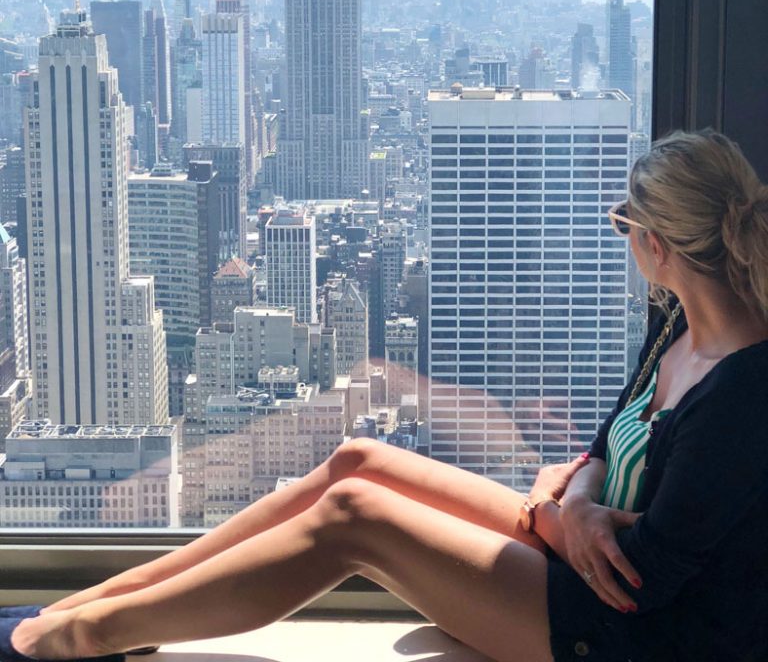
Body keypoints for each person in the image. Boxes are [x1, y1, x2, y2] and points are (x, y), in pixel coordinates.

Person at [7, 129, 768, 662]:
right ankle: (93, 605)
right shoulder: (676, 325)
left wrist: (558, 511)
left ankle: (82, 641)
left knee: (355, 517)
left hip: (622, 633)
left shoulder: (741, 390)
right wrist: (580, 501)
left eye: (622, 225)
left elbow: (649, 576)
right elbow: (603, 447)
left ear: (656, 246)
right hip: (573, 544)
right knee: (357, 459)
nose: (622, 239)